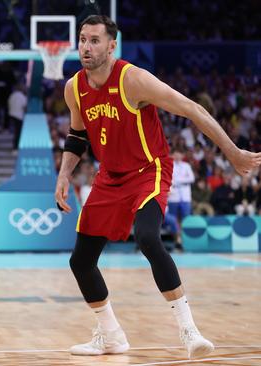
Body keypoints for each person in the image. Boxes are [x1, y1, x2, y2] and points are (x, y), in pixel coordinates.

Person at [55, 15, 261, 359]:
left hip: (148, 170)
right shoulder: (73, 87)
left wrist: (233, 152)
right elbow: (77, 136)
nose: (86, 47)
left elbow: (192, 109)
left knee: (148, 237)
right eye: (82, 40)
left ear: (111, 45)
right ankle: (111, 336)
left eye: (94, 40)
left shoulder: (133, 79)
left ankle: (189, 330)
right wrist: (63, 174)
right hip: (109, 176)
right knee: (81, 261)